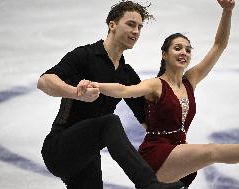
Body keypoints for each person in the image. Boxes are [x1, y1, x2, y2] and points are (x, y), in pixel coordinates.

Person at [85, 0, 239, 188]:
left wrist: (227, 11)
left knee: (209, 153)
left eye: (188, 50)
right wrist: (97, 85)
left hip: (180, 152)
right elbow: (124, 90)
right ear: (164, 54)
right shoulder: (156, 85)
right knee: (211, 151)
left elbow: (219, 45)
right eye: (177, 48)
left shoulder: (190, 80)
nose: (184, 53)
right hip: (158, 154)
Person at [37, 1, 184, 189]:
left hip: (87, 155)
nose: (136, 31)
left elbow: (149, 121)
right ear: (112, 25)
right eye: (131, 24)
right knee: (110, 122)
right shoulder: (85, 55)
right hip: (59, 148)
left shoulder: (126, 74)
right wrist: (75, 93)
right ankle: (149, 185)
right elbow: (44, 81)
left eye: (139, 27)